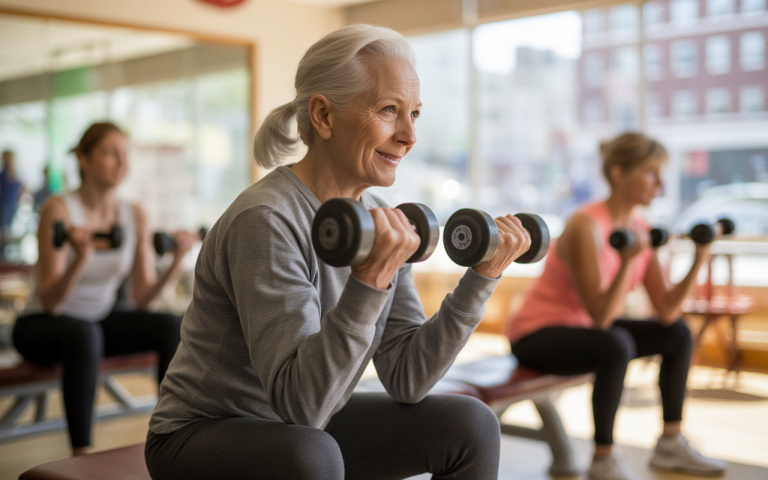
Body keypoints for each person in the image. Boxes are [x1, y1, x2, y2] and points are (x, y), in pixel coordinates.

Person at [144, 24, 533, 480]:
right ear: (325, 116)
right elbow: (300, 405)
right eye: (390, 110)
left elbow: (408, 377)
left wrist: (481, 279)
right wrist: (369, 283)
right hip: (200, 434)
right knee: (312, 453)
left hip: (306, 424)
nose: (409, 136)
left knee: (470, 425)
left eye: (415, 114)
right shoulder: (267, 218)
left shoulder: (384, 218)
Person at [504, 133, 727, 480]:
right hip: (536, 334)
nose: (661, 184)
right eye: (652, 173)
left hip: (585, 330)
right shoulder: (585, 224)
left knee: (677, 334)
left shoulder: (640, 230)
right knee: (615, 342)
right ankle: (603, 459)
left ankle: (670, 443)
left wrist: (700, 257)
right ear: (620, 174)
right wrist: (627, 263)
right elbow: (601, 316)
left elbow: (667, 310)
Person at [13, 122, 198, 456]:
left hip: (97, 320)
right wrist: (80, 258)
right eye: (111, 153)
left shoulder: (134, 214)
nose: (121, 163)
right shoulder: (59, 209)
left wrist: (176, 261)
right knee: (84, 335)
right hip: (42, 324)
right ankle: (81, 454)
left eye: (125, 155)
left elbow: (142, 298)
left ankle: (171, 438)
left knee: (171, 324)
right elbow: (53, 303)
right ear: (84, 160)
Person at [0, 150, 24, 255]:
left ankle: (3, 255)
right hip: (12, 206)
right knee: (7, 231)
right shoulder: (15, 175)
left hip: (3, 206)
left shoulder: (3, 175)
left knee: (3, 233)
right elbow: (22, 189)